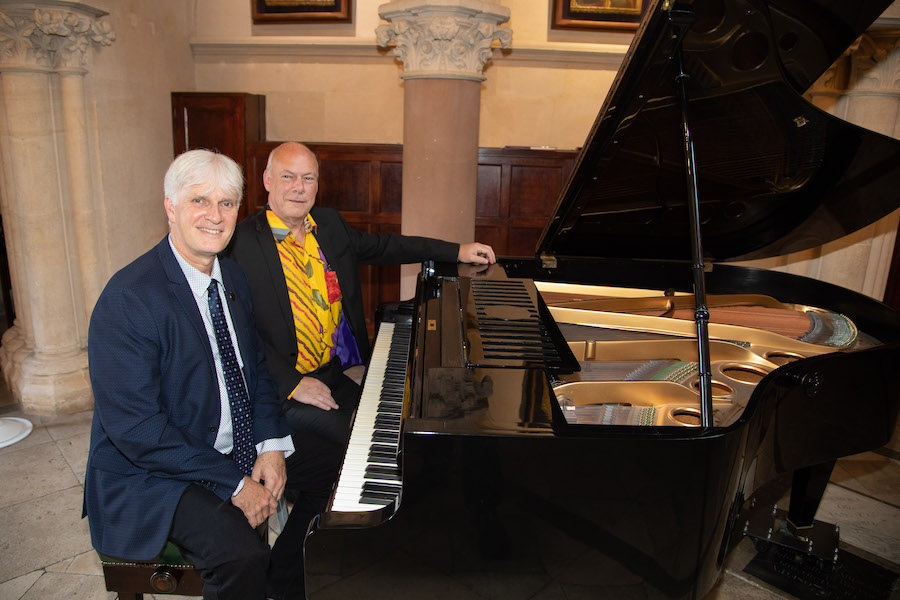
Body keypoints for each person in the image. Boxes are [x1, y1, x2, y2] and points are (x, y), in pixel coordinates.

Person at [83, 149, 319, 600]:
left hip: (228, 441)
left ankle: (281, 583)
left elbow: (255, 373)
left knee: (334, 464)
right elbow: (137, 429)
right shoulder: (128, 298)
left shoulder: (232, 276)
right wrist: (235, 483)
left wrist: (271, 445)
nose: (215, 215)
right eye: (199, 201)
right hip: (154, 473)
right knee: (239, 554)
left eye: (227, 203)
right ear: (170, 207)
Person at [228, 142, 495, 450]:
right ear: (267, 180)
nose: (299, 188)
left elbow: (386, 246)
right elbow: (238, 329)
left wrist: (456, 250)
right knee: (364, 444)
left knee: (389, 421)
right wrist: (292, 383)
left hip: (331, 373)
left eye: (308, 178)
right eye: (288, 177)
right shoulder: (241, 243)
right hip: (282, 387)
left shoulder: (328, 224)